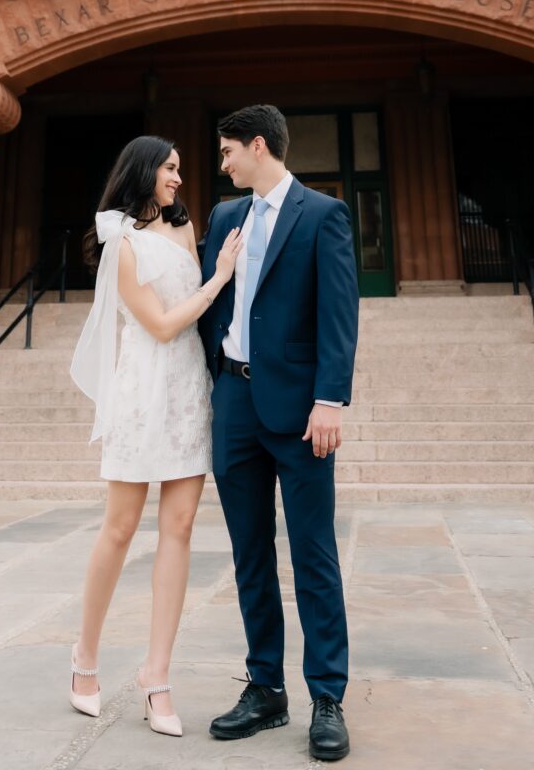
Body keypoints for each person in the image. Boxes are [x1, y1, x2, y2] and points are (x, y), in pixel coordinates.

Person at [198, 104, 360, 763]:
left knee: (313, 553)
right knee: (249, 554)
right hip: (234, 404)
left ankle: (326, 696)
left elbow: (339, 312)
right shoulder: (223, 218)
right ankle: (265, 687)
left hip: (299, 412)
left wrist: (330, 399)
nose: (224, 163)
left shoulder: (323, 215)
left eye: (228, 151)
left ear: (258, 145)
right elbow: (214, 302)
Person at [68, 134, 243, 737]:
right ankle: (83, 661)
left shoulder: (184, 229)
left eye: (178, 168)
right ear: (143, 171)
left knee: (181, 527)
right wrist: (219, 278)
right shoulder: (122, 243)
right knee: (119, 528)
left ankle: (157, 674)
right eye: (169, 168)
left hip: (188, 389)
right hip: (143, 388)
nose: (178, 177)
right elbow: (163, 324)